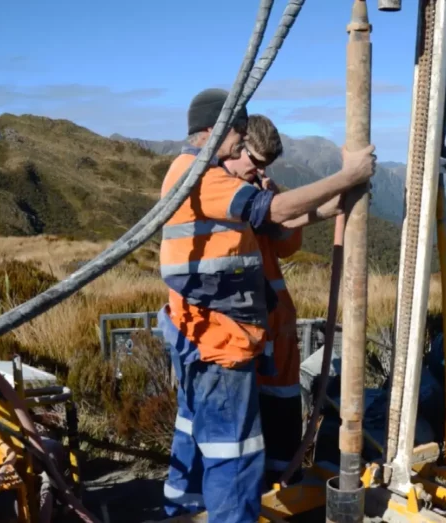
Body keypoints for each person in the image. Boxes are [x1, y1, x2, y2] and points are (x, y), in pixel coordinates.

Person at [157, 88, 376, 522]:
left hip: (210, 335)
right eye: (237, 138)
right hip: (221, 339)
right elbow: (274, 212)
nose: (240, 146)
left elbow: (281, 222)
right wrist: (346, 177)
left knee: (207, 438)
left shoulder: (199, 173)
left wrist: (334, 202)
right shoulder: (205, 176)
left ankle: (187, 510)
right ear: (213, 131)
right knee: (235, 455)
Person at [220, 114, 347, 488]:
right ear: (237, 147)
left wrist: (272, 199)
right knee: (245, 414)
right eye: (254, 162)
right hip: (238, 328)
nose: (257, 171)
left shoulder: (259, 193)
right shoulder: (219, 192)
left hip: (276, 322)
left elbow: (288, 247)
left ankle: (283, 481)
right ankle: (252, 489)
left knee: (282, 406)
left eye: (265, 166)